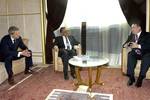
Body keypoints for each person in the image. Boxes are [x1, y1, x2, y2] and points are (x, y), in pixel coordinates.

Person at [124, 20, 150, 87]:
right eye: (132, 28)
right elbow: (126, 43)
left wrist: (138, 46)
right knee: (130, 54)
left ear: (139, 28)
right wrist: (126, 45)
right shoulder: (131, 35)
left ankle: (140, 78)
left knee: (147, 57)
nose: (132, 29)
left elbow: (148, 45)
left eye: (134, 27)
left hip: (145, 52)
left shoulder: (147, 34)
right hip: (136, 53)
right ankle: (131, 77)